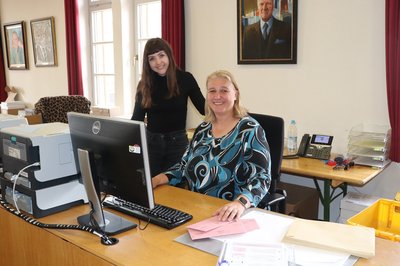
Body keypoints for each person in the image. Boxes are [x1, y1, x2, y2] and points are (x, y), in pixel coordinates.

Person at [152, 70, 271, 222]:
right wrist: (155, 180)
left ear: (235, 94)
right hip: (197, 208)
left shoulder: (250, 129)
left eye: (224, 90)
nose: (217, 96)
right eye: (212, 91)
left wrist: (240, 203)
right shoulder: (202, 129)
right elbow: (183, 166)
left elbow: (262, 178)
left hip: (233, 213)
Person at [131, 38, 205, 177]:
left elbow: (204, 109)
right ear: (147, 63)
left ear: (169, 55)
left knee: (174, 189)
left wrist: (227, 108)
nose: (158, 62)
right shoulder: (144, 85)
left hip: (177, 145)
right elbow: (136, 120)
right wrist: (130, 145)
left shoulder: (185, 78)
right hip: (151, 145)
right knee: (151, 189)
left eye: (161, 55)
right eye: (152, 58)